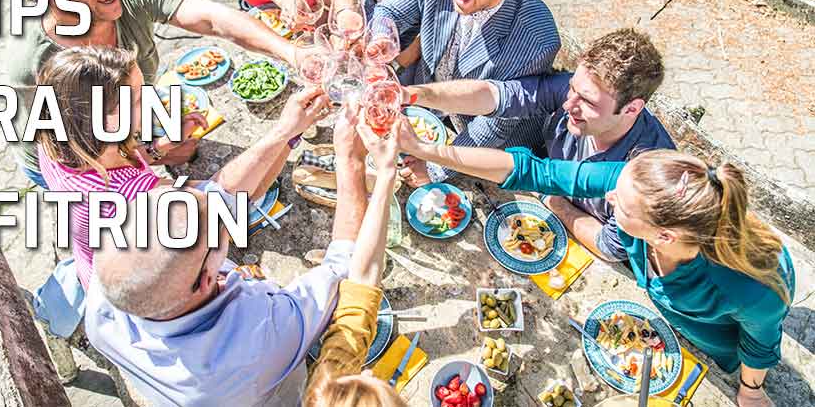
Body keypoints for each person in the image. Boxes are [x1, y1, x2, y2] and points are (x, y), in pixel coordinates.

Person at [396, 127, 793, 407]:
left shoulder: (751, 288)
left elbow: (759, 343)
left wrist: (752, 392)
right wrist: (431, 152)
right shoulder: (636, 186)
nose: (608, 197)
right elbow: (538, 171)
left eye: (619, 204)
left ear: (664, 237)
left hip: (713, 341)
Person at [84, 98, 373, 407]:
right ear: (210, 277)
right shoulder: (261, 335)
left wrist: (285, 133)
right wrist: (349, 158)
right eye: (219, 229)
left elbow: (219, 194)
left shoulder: (107, 292)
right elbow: (345, 264)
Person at [5, 0, 296, 188]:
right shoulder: (34, 65)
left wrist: (293, 53)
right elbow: (81, 166)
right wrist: (155, 152)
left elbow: (213, 17)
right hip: (82, 166)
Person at [400, 28, 674, 261]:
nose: (568, 105)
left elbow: (610, 247)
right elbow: (495, 96)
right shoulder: (577, 94)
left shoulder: (647, 172)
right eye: (571, 88)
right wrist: (410, 95)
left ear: (632, 108)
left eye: (588, 102)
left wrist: (554, 202)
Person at [373, 0, 560, 186]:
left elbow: (494, 124)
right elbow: (389, 13)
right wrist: (381, 42)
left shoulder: (536, 38)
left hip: (486, 147)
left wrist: (436, 168)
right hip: (426, 112)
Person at [35, 46, 208, 290]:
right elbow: (220, 197)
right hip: (133, 288)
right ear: (106, 120)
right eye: (138, 98)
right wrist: (282, 135)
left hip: (93, 269)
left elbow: (125, 160)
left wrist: (163, 145)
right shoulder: (132, 194)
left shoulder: (57, 141)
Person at [304, 111, 406, 407]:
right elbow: (361, 286)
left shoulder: (327, 391)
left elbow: (360, 285)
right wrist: (384, 173)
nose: (371, 370)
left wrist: (383, 173)